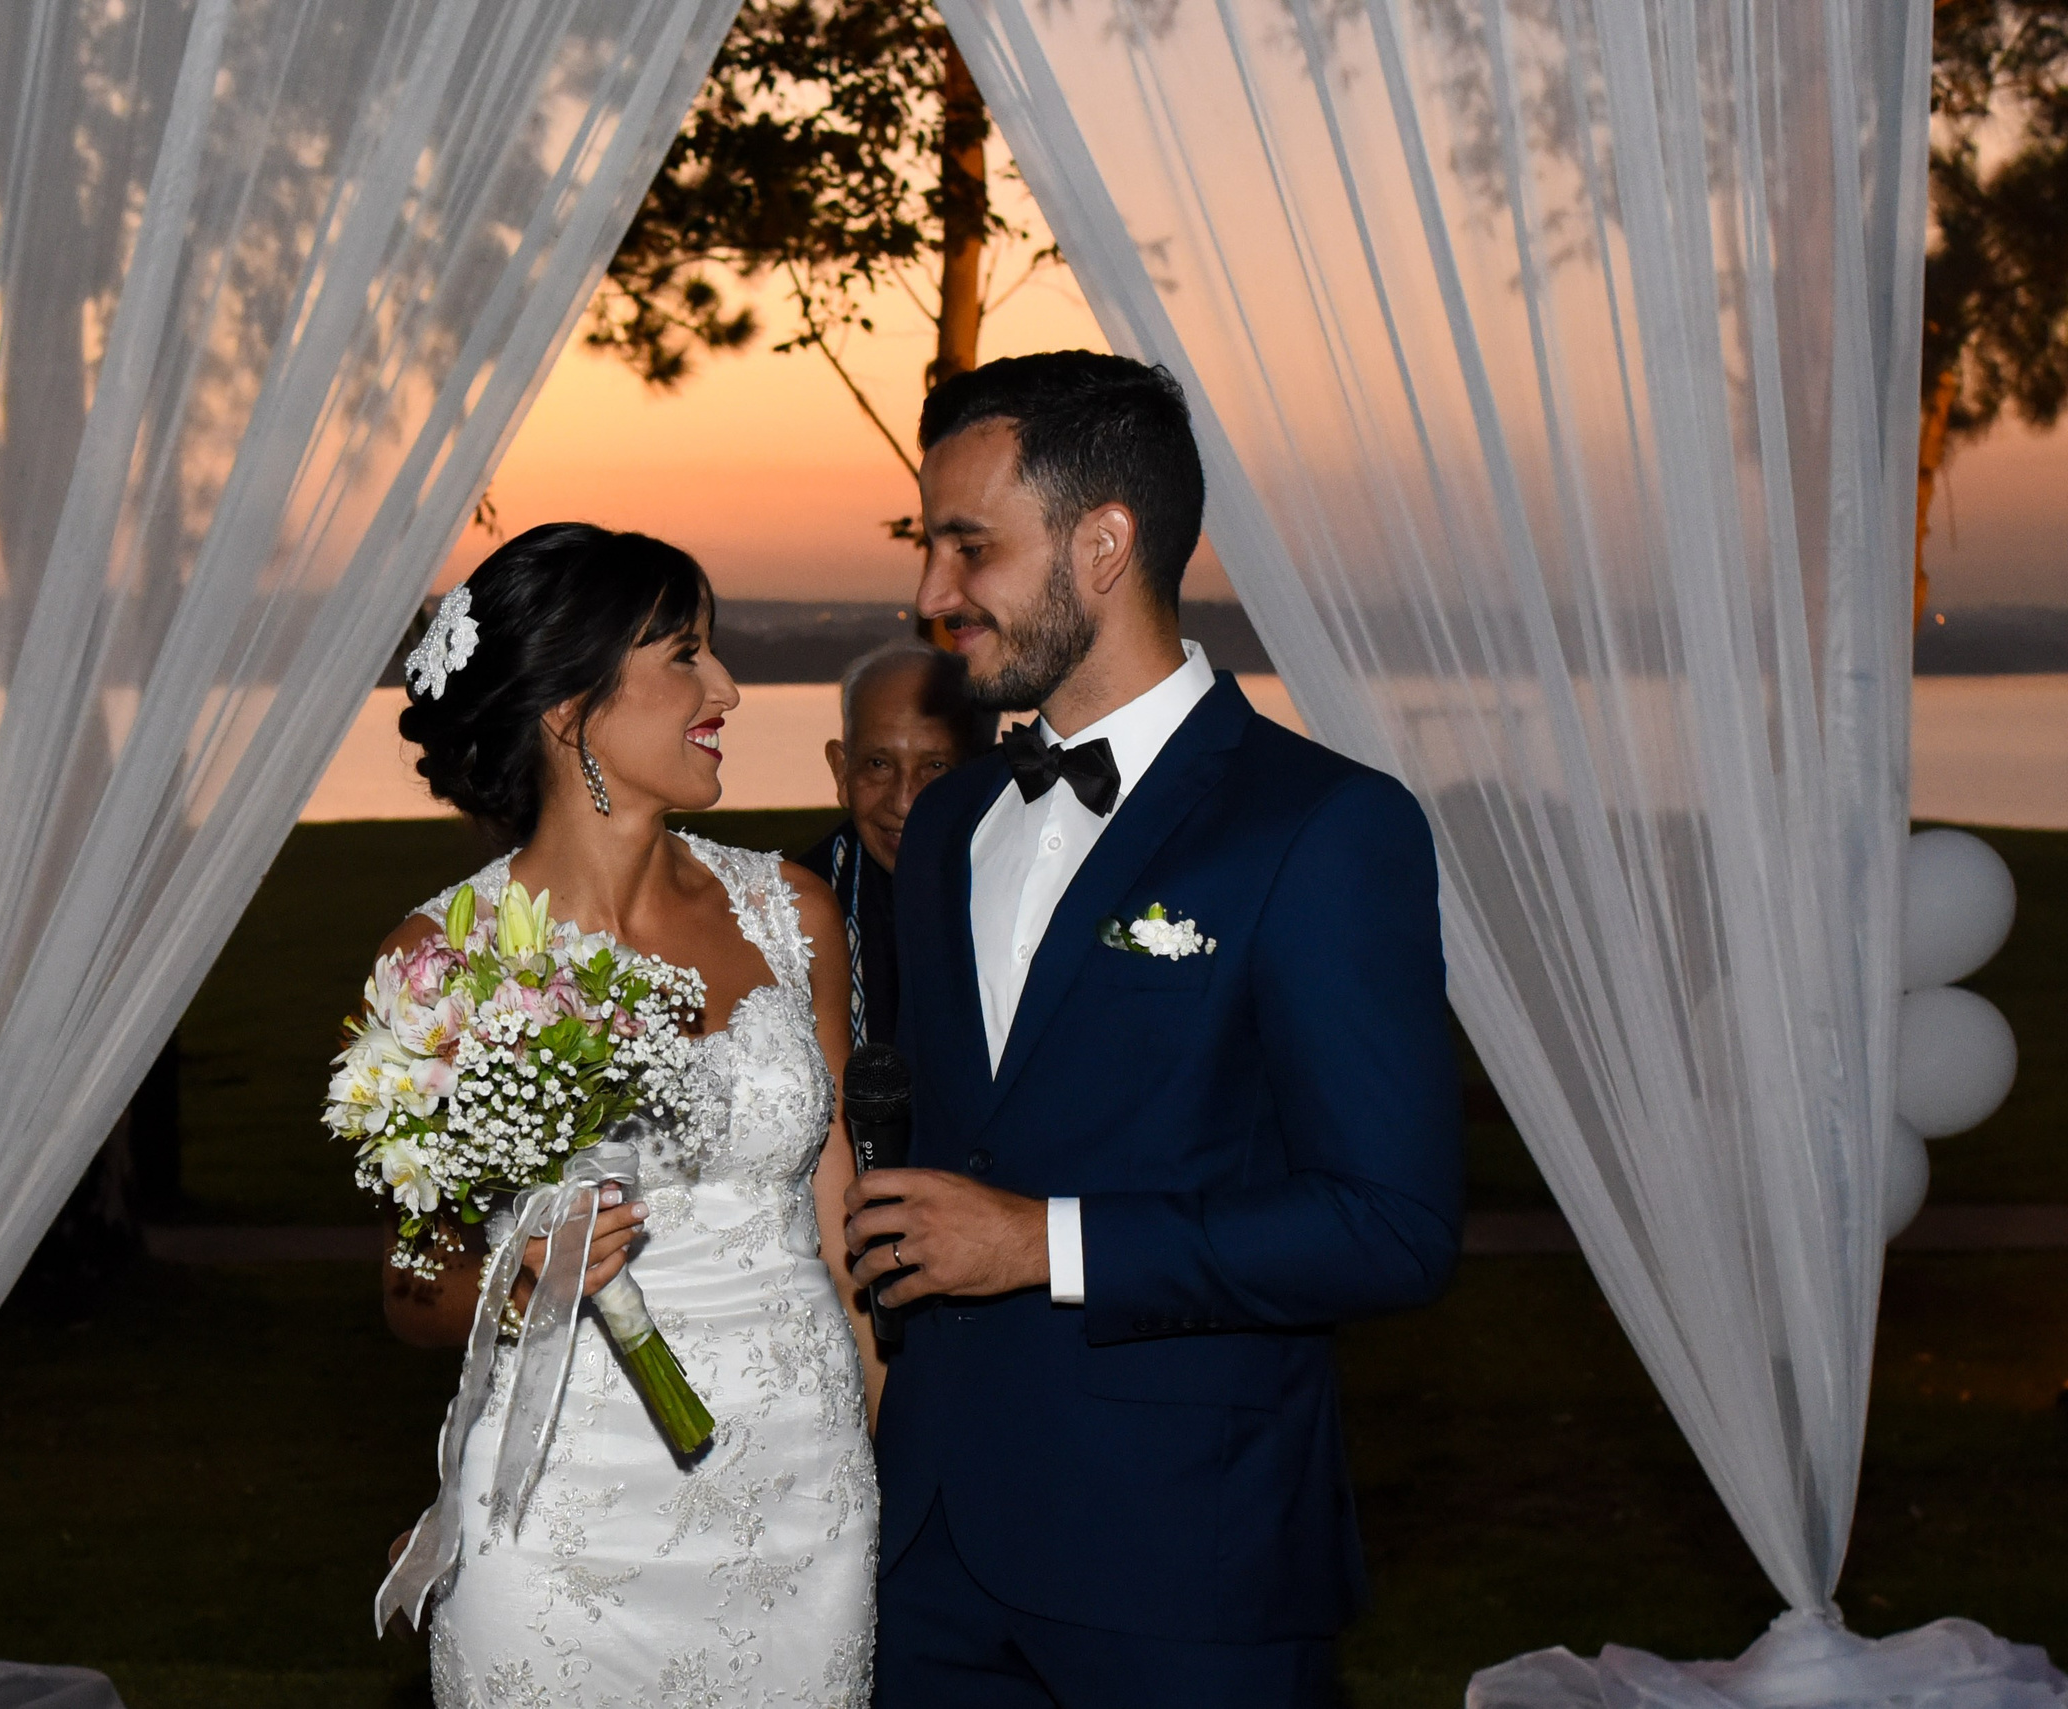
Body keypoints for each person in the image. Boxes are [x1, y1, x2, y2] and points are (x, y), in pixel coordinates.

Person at [847, 352, 1463, 1708]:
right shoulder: (945, 826)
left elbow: (1392, 1225)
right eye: (929, 547)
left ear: (1104, 543)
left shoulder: (1321, 828)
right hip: (932, 1546)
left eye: (970, 547)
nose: (933, 594)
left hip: (1187, 1560)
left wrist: (1042, 1241)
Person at [374, 523, 881, 1707]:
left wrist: (872, 1439)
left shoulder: (792, 914)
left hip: (802, 1496)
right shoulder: (444, 963)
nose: (727, 688)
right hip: (560, 1516)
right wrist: (519, 1275)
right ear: (570, 707)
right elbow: (411, 1289)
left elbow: (840, 1217)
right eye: (685, 655)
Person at [798, 642, 995, 1048]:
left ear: (982, 774)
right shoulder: (788, 915)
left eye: (935, 766)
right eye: (878, 764)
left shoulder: (1030, 895)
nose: (904, 802)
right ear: (841, 772)